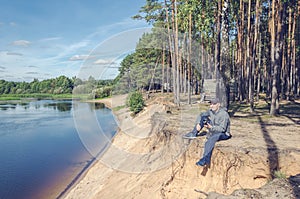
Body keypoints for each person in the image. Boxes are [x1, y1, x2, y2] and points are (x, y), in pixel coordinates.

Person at [183, 98, 231, 166]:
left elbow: (222, 129)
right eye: (211, 104)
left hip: (224, 133)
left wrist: (211, 128)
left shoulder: (224, 114)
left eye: (214, 104)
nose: (211, 106)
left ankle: (205, 159)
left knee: (211, 139)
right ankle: (193, 133)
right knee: (203, 118)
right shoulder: (211, 111)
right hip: (214, 129)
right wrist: (198, 123)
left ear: (218, 105)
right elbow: (201, 115)